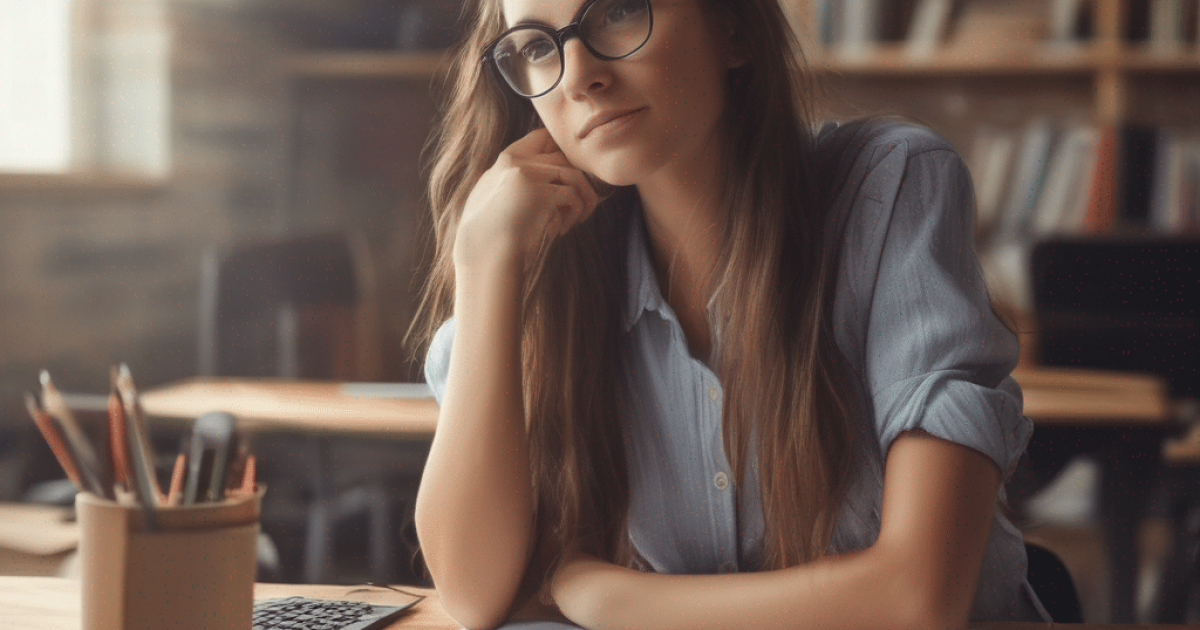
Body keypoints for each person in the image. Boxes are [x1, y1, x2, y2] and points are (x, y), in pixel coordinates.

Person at [408, 0, 1053, 628]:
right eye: (535, 47)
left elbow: (920, 599)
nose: (577, 76)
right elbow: (473, 596)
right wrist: (483, 262)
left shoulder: (889, 191)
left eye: (620, 11)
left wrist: (609, 600)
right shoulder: (553, 281)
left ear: (735, 28)